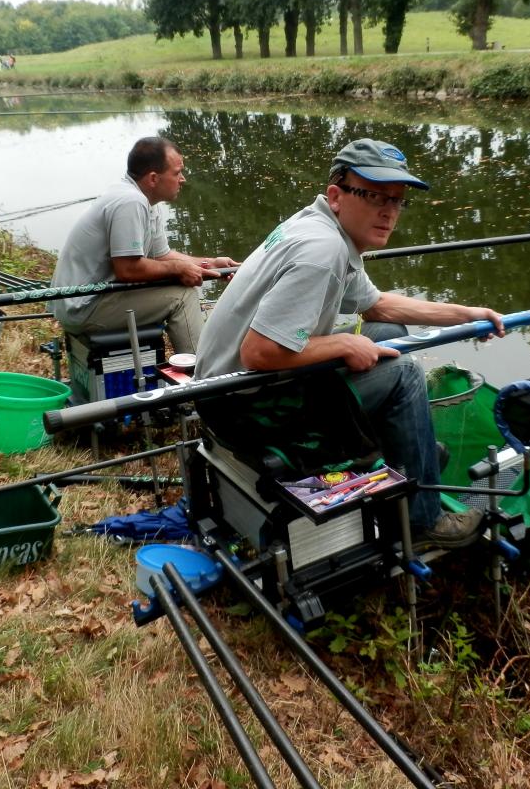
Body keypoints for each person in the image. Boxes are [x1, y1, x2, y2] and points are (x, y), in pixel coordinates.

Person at [193, 138, 505, 550]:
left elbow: (377, 307)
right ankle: (423, 521)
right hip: (242, 407)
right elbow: (259, 352)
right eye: (374, 196)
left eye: (396, 200)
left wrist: (466, 313)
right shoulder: (321, 250)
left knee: (390, 338)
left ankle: (406, 452)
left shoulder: (323, 228)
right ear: (337, 196)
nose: (389, 211)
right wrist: (342, 343)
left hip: (234, 384)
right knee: (407, 375)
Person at [50, 136, 237, 355]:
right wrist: (178, 270)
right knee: (181, 296)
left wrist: (211, 264)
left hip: (94, 299)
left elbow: (162, 256)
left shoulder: (145, 200)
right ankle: (201, 377)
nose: (183, 179)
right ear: (153, 178)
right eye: (176, 173)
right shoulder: (130, 202)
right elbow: (128, 269)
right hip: (83, 306)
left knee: (178, 286)